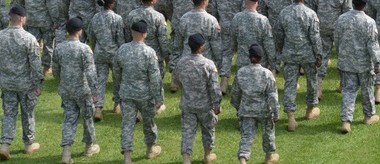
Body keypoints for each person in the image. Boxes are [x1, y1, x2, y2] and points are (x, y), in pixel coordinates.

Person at [0, 5, 43, 160]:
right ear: (21, 19)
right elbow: (35, 65)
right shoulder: (29, 39)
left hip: (6, 82)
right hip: (26, 84)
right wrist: (38, 84)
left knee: (9, 114)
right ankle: (29, 144)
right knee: (28, 113)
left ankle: (5, 145)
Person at [113, 20, 164, 164]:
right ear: (145, 34)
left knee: (127, 125)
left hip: (127, 93)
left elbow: (116, 73)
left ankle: (127, 157)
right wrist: (159, 98)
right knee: (149, 123)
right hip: (145, 95)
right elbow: (155, 78)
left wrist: (119, 90)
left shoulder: (122, 49)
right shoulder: (149, 52)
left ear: (131, 32)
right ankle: (149, 150)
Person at [273, 0, 322, 131]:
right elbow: (315, 38)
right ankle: (310, 110)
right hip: (307, 54)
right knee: (312, 82)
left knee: (290, 84)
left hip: (289, 53)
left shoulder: (284, 13)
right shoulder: (310, 14)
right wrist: (319, 56)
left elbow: (278, 34)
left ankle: (291, 116)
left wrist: (282, 50)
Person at [52, 18, 100, 163]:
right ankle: (89, 146)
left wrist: (63, 81)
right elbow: (91, 73)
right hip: (83, 89)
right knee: (87, 118)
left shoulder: (59, 47)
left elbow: (55, 70)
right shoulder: (84, 49)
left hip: (66, 89)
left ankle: (66, 152)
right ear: (80, 31)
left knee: (69, 119)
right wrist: (95, 92)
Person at [333, 0, 380, 133]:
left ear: (353, 2)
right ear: (365, 4)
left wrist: (340, 54)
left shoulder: (341, 19)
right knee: (367, 90)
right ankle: (368, 116)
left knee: (348, 91)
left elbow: (337, 39)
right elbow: (373, 46)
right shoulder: (369, 22)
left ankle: (346, 121)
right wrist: (377, 64)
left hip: (346, 62)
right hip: (364, 63)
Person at [173, 33, 222, 164]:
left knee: (187, 132)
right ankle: (207, 155)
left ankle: (186, 159)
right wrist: (217, 105)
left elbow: (175, 82)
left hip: (188, 104)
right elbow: (214, 88)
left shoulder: (181, 62)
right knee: (208, 130)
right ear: (201, 47)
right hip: (205, 106)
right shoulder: (208, 64)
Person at [230, 44, 280, 164]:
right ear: (261, 58)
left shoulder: (241, 72)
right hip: (264, 111)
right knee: (268, 134)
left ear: (249, 57)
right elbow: (272, 96)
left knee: (246, 136)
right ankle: (269, 158)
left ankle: (243, 160)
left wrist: (238, 107)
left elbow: (235, 93)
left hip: (246, 110)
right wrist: (276, 112)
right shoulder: (267, 74)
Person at [88, 0, 125, 121]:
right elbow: (120, 38)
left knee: (100, 81)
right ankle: (117, 104)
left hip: (99, 52)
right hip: (114, 53)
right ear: (112, 4)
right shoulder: (117, 18)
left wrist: (94, 47)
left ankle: (98, 108)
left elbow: (91, 36)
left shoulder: (95, 18)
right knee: (118, 79)